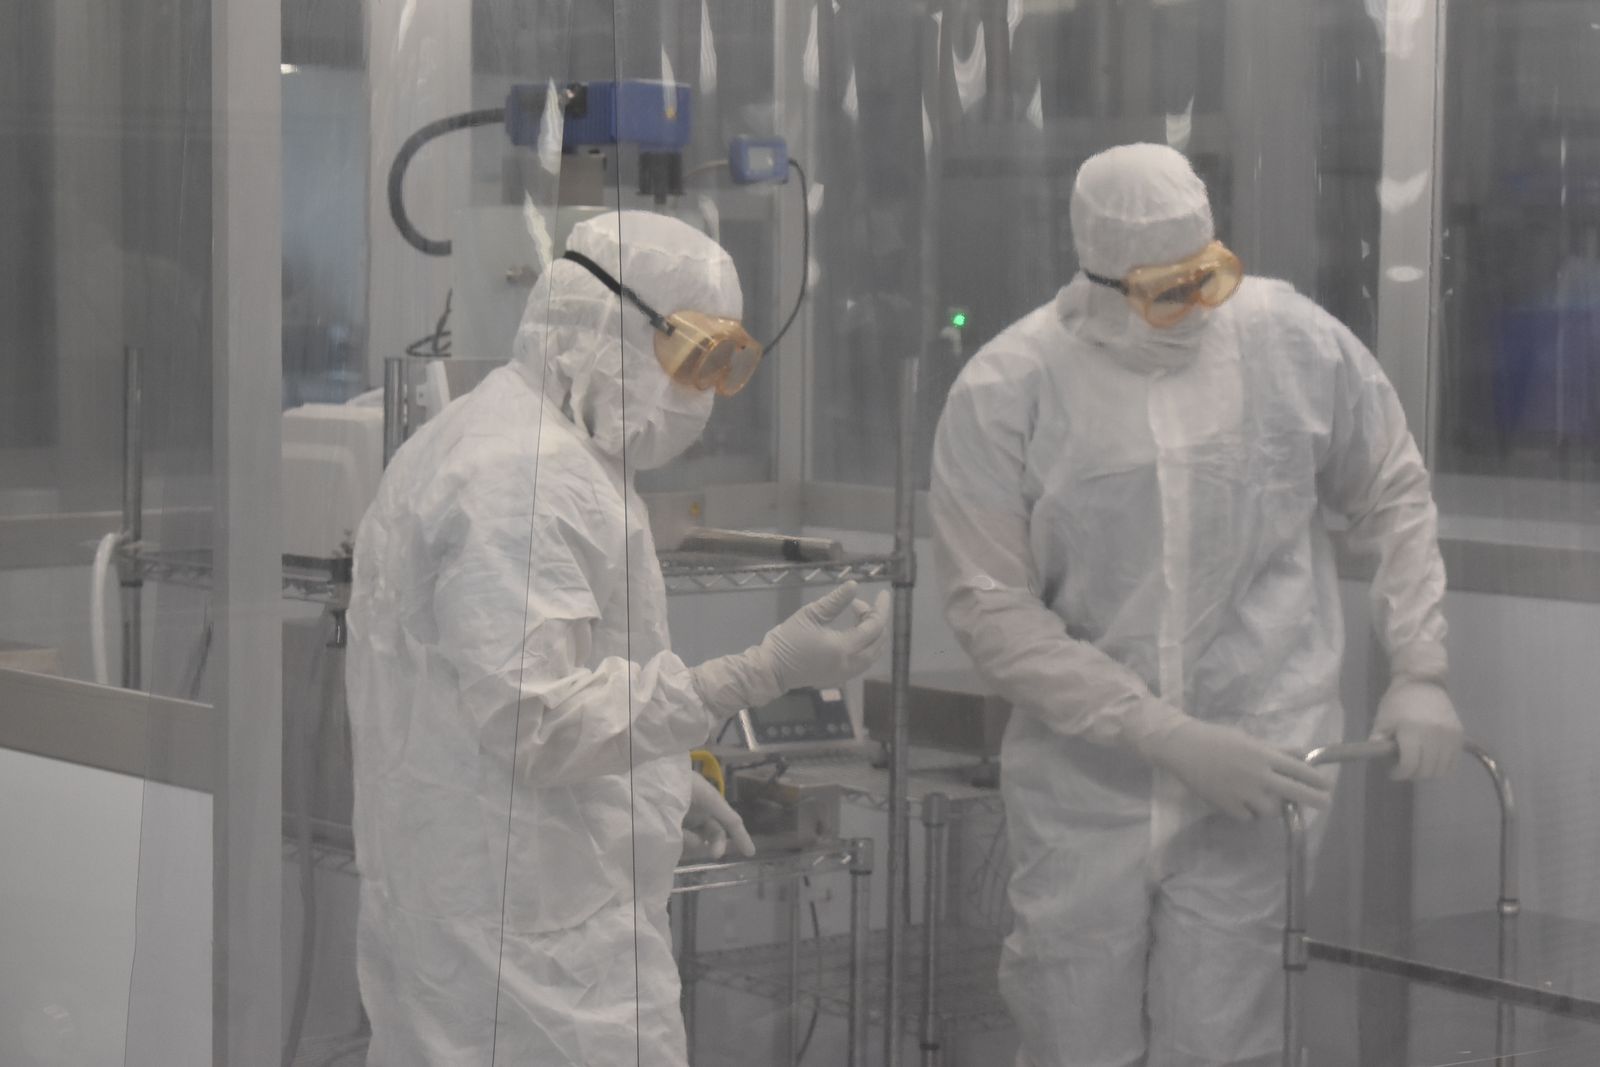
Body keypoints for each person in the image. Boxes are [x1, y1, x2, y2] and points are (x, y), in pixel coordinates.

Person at [929, 143, 1462, 1066]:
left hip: (1259, 759)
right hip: (1086, 783)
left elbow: (1392, 488)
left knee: (1225, 1041)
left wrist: (1420, 667)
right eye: (1165, 290)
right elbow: (993, 612)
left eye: (1208, 276)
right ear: (1100, 280)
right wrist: (1165, 735)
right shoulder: (1008, 389)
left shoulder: (1290, 339)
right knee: (1074, 1034)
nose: (1196, 306)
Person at [346, 210, 889, 1066]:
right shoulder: (521, 478)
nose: (702, 396)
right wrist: (755, 672)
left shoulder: (537, 449)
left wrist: (658, 779)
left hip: (507, 909)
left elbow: (534, 688)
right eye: (690, 358)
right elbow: (537, 721)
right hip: (528, 952)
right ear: (602, 322)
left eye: (722, 368)